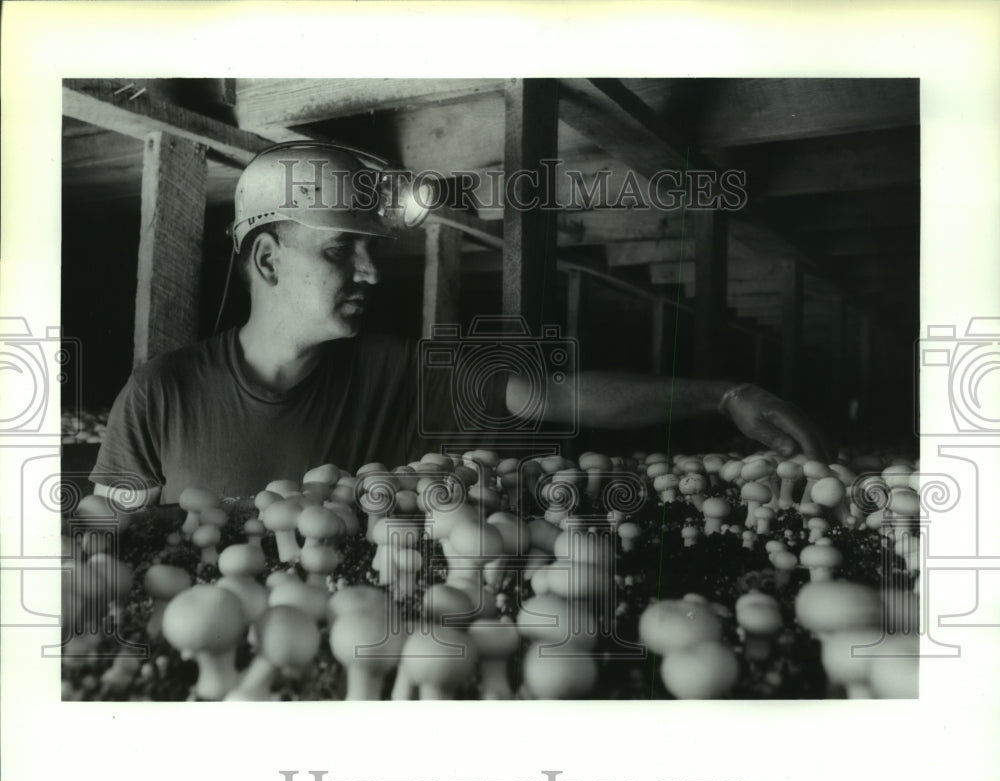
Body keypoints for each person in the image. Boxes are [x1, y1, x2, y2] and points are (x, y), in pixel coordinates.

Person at [91, 141, 828, 507]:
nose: (371, 274)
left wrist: (727, 395)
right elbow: (103, 551)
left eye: (371, 252)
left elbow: (557, 394)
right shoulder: (159, 397)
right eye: (342, 250)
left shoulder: (400, 373)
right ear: (268, 260)